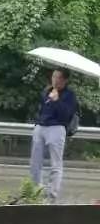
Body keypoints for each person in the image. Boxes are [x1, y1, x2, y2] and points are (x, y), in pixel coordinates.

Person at [30, 68, 78, 203]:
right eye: (53, 77)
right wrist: (37, 122)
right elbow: (41, 108)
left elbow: (66, 115)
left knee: (55, 164)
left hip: (57, 128)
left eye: (58, 78)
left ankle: (52, 194)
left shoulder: (70, 95)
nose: (55, 80)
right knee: (35, 162)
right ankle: (36, 191)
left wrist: (57, 100)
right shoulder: (46, 91)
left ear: (64, 80)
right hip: (41, 126)